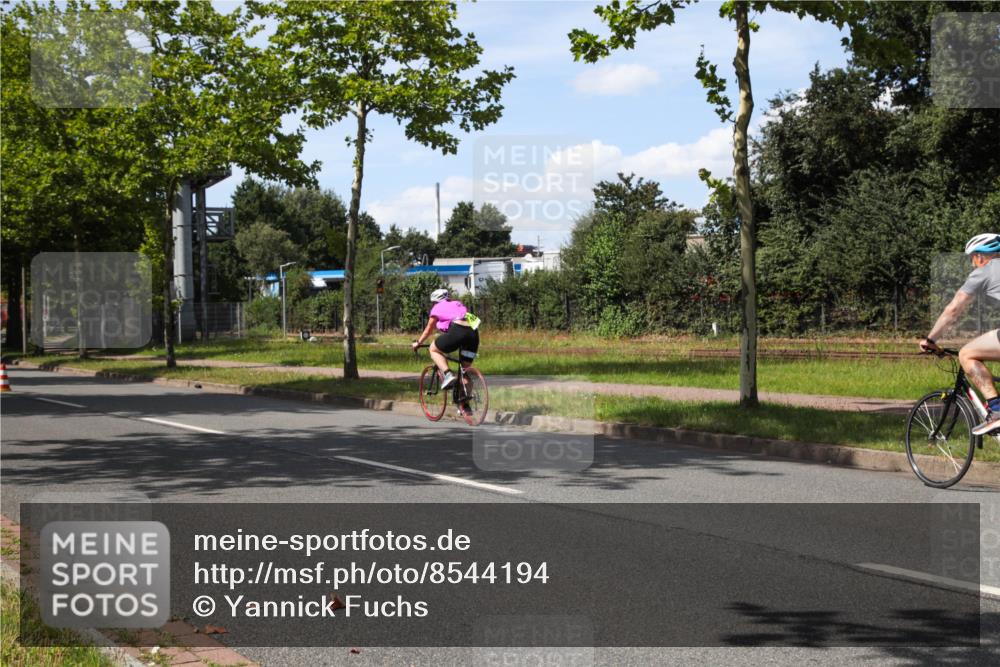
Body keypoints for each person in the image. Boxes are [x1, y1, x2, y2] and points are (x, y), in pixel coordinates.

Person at [921, 233, 1000, 435]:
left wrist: (931, 340)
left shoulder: (985, 270)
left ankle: (997, 410)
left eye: (972, 258)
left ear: (981, 256)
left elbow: (953, 310)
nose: (973, 264)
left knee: (966, 353)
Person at [411, 288, 480, 394]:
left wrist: (418, 343)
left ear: (434, 301)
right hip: (473, 334)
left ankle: (448, 374)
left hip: (458, 331)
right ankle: (465, 406)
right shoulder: (457, 303)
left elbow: (429, 329)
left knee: (433, 349)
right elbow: (474, 321)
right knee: (464, 372)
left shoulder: (436, 308)